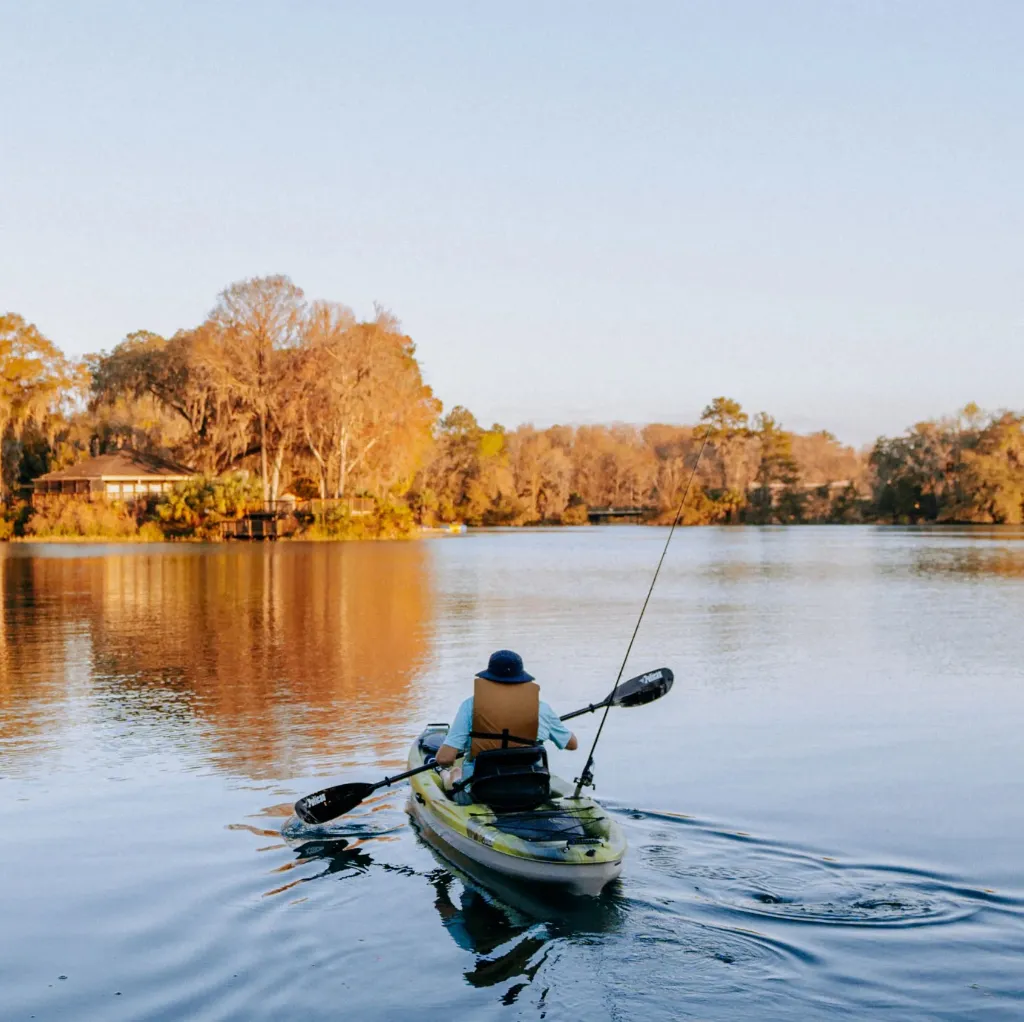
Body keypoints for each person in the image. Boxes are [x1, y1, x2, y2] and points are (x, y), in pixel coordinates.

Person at [435, 649, 578, 804]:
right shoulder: (542, 709)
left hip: (481, 794)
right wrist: (551, 725)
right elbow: (572, 744)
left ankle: (449, 775)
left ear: (489, 680)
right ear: (521, 680)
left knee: (454, 774)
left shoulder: (470, 706)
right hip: (531, 791)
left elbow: (444, 758)